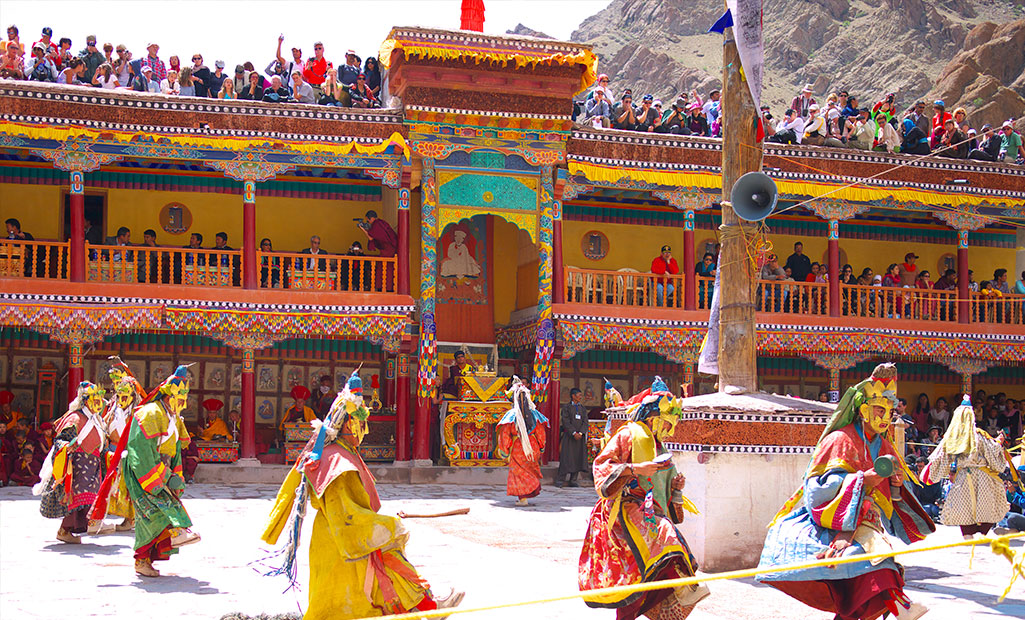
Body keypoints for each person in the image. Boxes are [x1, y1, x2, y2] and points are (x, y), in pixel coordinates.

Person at [261, 371, 464, 618]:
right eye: (361, 422)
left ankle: (429, 607)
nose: (364, 430)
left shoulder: (343, 452)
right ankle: (430, 608)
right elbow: (347, 517)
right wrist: (387, 526)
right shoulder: (337, 462)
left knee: (377, 582)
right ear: (349, 424)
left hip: (342, 539)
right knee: (366, 586)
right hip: (340, 542)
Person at [757, 363, 933, 620]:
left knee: (862, 590)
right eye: (879, 410)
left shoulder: (885, 445)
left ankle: (895, 605)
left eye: (889, 411)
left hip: (867, 523)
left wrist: (895, 487)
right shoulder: (840, 439)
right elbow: (816, 490)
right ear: (863, 410)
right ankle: (901, 605)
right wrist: (865, 480)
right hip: (833, 518)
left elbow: (892, 499)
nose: (885, 417)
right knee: (877, 563)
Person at [578, 377, 707, 619]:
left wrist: (676, 488)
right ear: (653, 418)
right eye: (667, 424)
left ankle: (667, 603)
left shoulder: (660, 448)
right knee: (658, 547)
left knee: (647, 571)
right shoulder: (627, 434)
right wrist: (635, 469)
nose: (669, 430)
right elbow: (602, 466)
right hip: (624, 509)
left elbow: (667, 496)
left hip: (648, 512)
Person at [121, 366, 200, 577]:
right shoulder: (150, 413)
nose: (183, 403)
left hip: (162, 469)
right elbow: (141, 451)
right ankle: (143, 559)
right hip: (143, 470)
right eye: (179, 397)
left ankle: (169, 539)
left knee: (164, 507)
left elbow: (174, 451)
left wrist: (177, 475)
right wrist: (164, 476)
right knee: (152, 513)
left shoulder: (173, 418)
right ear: (168, 395)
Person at [925, 395, 1012, 538]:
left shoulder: (953, 437)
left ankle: (969, 535)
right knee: (985, 505)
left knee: (964, 506)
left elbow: (941, 456)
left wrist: (934, 472)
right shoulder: (979, 435)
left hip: (964, 476)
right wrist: (998, 442)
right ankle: (981, 533)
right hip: (983, 477)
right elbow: (993, 454)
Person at [36, 381, 110, 544]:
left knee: (89, 497)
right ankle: (65, 529)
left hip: (93, 464)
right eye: (94, 399)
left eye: (99, 399)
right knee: (77, 498)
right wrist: (67, 446)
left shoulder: (96, 419)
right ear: (85, 400)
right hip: (77, 466)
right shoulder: (75, 418)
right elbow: (60, 440)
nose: (98, 403)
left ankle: (84, 525)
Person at [102, 368, 144, 532]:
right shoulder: (113, 408)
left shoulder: (137, 412)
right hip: (112, 451)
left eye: (125, 395)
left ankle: (130, 519)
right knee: (112, 486)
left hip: (128, 452)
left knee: (128, 487)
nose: (121, 398)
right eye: (119, 394)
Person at [497, 378, 549, 506]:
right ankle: (528, 492)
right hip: (532, 447)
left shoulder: (511, 415)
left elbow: (505, 434)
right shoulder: (535, 414)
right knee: (530, 471)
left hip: (518, 448)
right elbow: (541, 433)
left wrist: (504, 450)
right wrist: (541, 447)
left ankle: (523, 498)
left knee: (519, 473)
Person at [555, 387, 588, 488]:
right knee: (566, 458)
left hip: (580, 438)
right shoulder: (567, 408)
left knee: (578, 458)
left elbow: (585, 422)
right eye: (579, 395)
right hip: (569, 437)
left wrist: (581, 433)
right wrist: (573, 433)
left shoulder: (582, 408)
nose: (580, 397)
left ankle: (573, 480)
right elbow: (565, 421)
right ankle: (560, 480)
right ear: (573, 396)